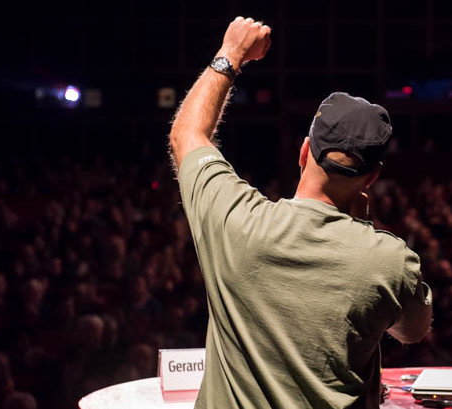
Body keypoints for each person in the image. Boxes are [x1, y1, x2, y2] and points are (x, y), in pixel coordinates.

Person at [169, 16, 432, 409]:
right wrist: (360, 230)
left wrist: (231, 54)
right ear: (372, 177)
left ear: (304, 151)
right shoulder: (389, 260)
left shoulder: (236, 221)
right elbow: (412, 332)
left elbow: (187, 134)